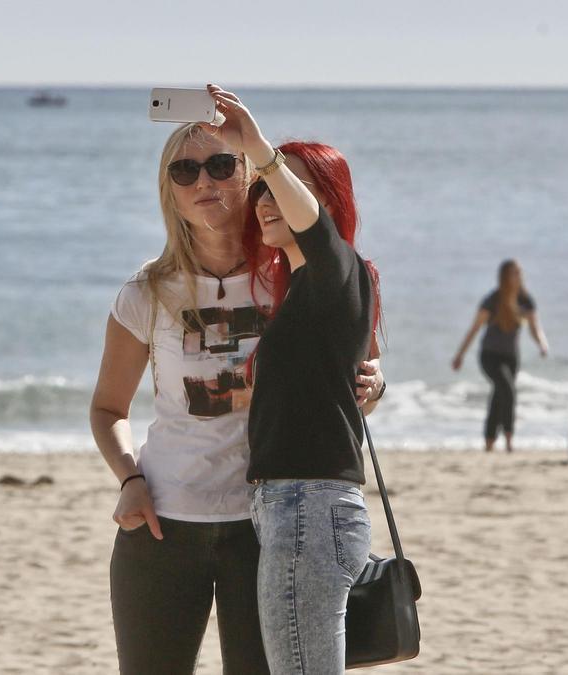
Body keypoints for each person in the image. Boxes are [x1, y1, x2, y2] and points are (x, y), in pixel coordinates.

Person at [89, 84, 384, 674]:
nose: (204, 182)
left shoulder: (297, 276)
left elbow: (344, 384)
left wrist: (374, 388)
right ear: (168, 192)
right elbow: (108, 409)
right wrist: (129, 479)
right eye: (185, 170)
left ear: (253, 180)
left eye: (222, 165)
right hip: (164, 523)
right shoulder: (144, 293)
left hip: (266, 527)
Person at [217, 86, 381, 674]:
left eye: (281, 187)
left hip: (308, 506)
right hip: (295, 507)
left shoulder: (338, 266)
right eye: (261, 189)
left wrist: (258, 146)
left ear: (324, 204)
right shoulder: (311, 292)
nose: (264, 200)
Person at [452, 259, 549, 452]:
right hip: (489, 356)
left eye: (519, 272)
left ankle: (489, 441)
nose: (518, 276)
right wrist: (460, 355)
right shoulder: (493, 299)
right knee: (507, 390)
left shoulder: (526, 300)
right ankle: (509, 440)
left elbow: (535, 327)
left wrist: (542, 344)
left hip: (511, 357)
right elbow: (475, 328)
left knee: (499, 395)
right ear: (504, 276)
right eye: (514, 273)